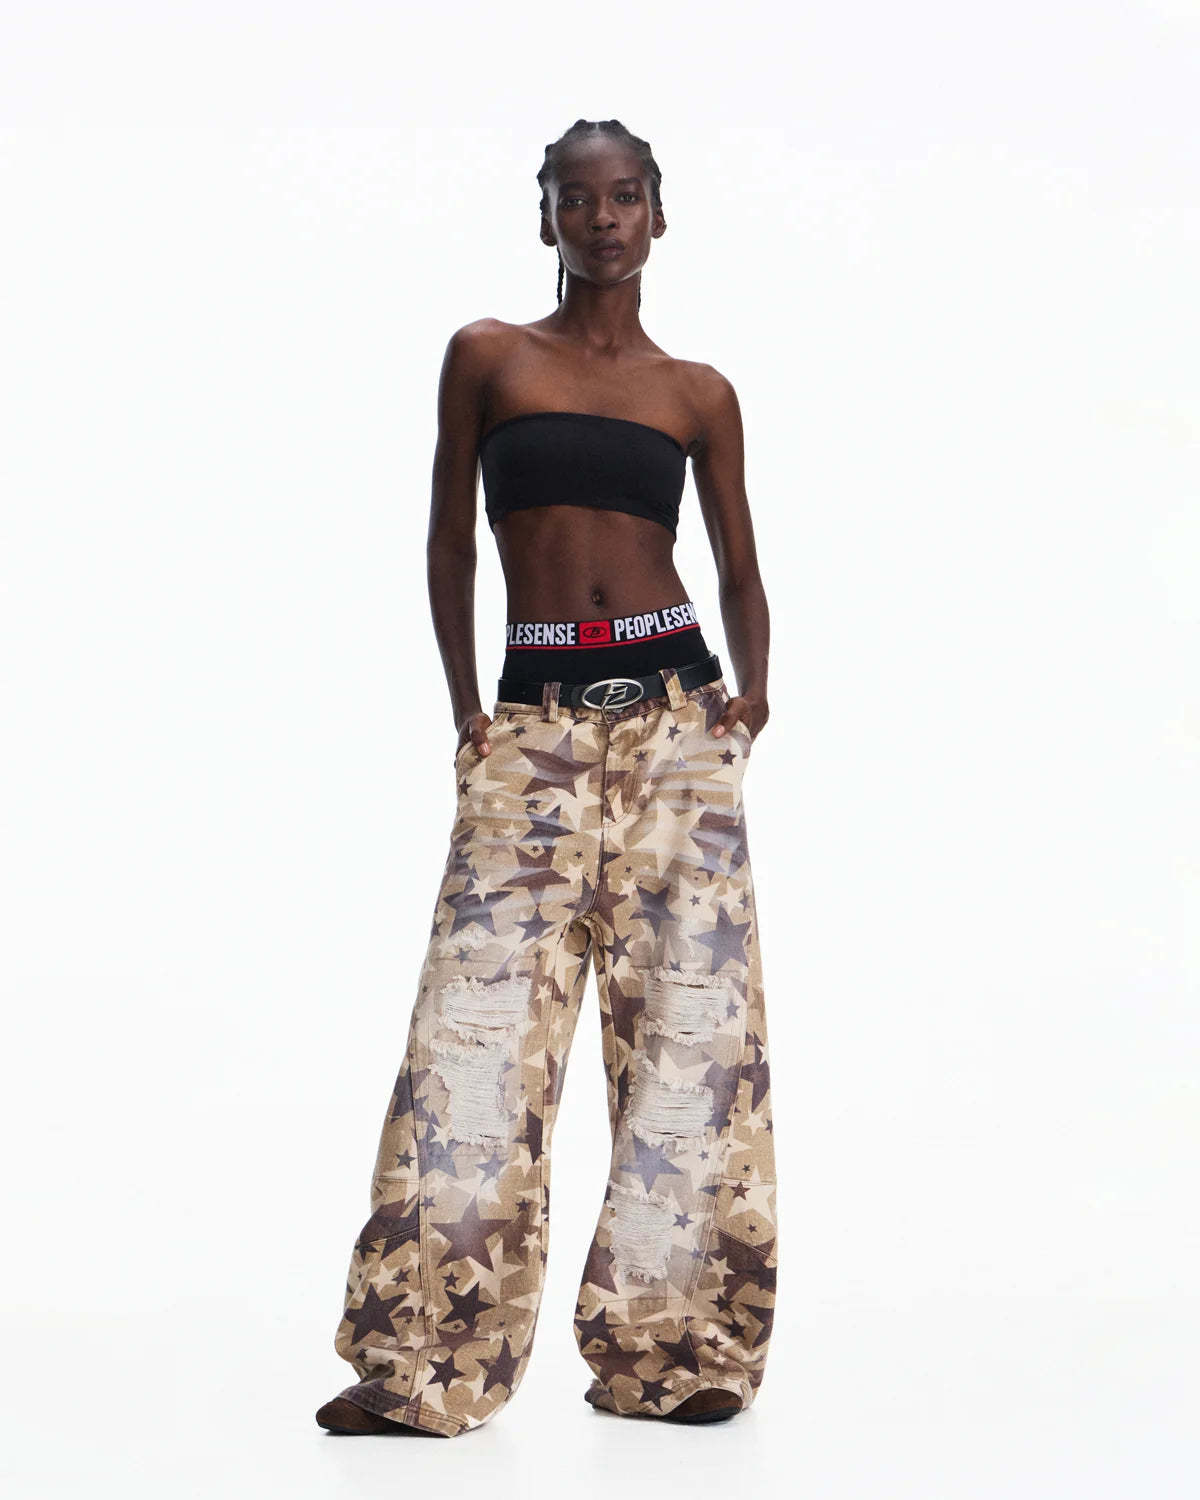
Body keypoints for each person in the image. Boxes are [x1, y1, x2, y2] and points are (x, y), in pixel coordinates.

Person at [316, 117, 778, 1437]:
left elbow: (739, 562)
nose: (603, 218)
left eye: (625, 196)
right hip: (532, 724)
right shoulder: (489, 355)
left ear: (658, 216)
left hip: (676, 718)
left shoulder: (697, 391)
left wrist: (751, 697)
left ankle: (676, 1352)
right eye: (578, 199)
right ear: (547, 218)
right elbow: (448, 542)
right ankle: (424, 1363)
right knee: (471, 1039)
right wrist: (469, 709)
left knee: (693, 1038)